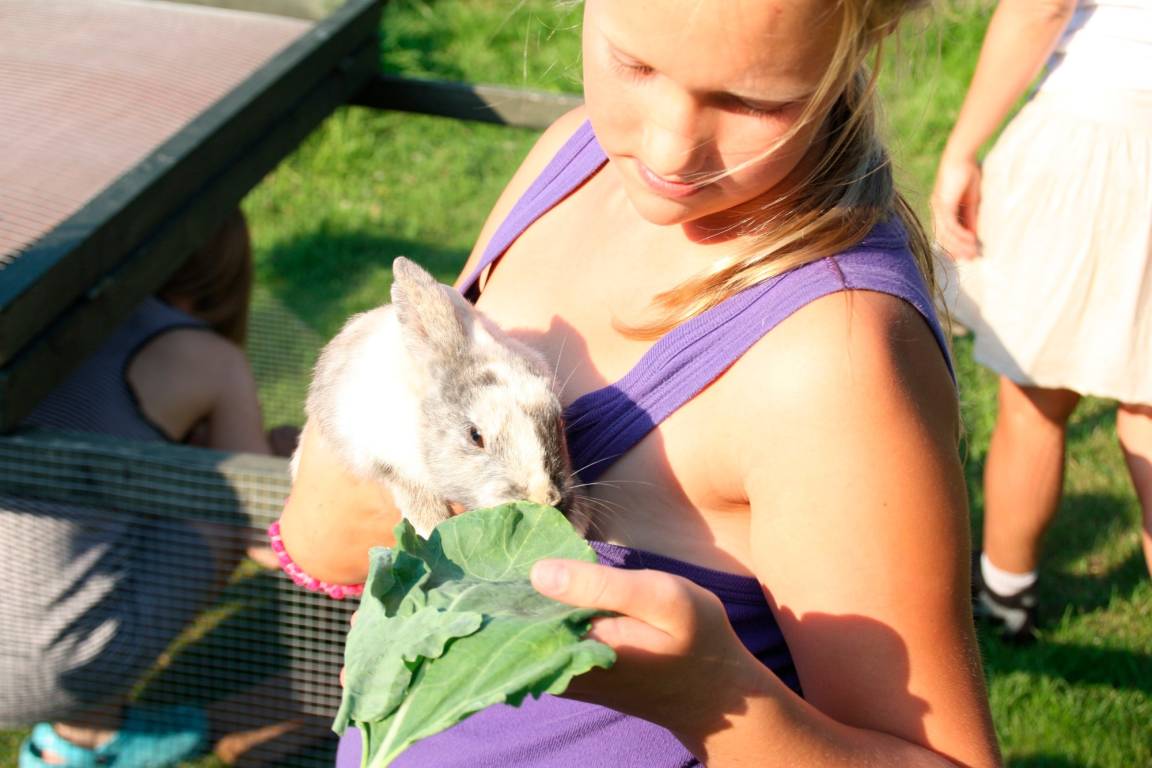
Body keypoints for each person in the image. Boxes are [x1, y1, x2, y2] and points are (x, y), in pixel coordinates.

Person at [279, 0, 1003, 765]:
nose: (669, 149)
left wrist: (713, 700)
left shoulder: (830, 364)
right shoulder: (571, 159)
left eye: (751, 101)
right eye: (635, 65)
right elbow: (326, 538)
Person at [0, 210, 281, 767]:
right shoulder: (207, 358)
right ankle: (87, 738)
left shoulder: (42, 319)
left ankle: (77, 730)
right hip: (51, 671)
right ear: (223, 272)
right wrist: (298, 460)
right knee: (224, 497)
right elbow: (266, 536)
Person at [932, 0, 1152, 644]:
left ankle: (1005, 599)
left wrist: (961, 148)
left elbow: (1041, 6)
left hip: (1100, 131)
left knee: (1036, 394)